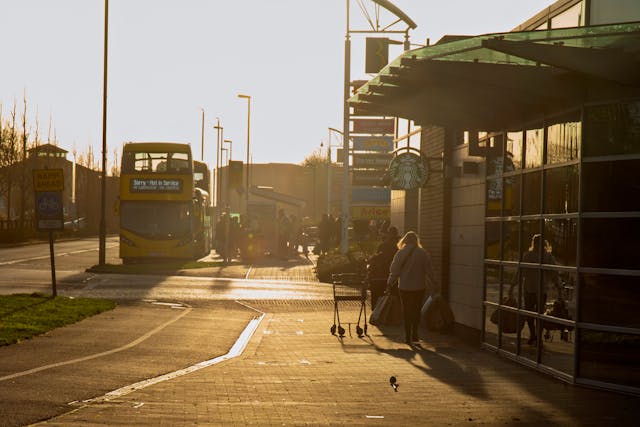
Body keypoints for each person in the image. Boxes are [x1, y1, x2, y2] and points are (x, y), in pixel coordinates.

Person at [387, 231, 437, 344]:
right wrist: (434, 283)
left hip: (404, 287)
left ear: (405, 240)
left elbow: (394, 271)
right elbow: (429, 270)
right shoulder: (423, 253)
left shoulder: (400, 253)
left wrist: (390, 283)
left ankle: (407, 336)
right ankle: (415, 333)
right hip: (419, 287)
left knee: (406, 311)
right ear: (416, 241)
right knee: (416, 310)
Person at [513, 234, 562, 345]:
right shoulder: (548, 257)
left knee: (529, 313)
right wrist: (559, 287)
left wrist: (513, 285)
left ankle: (533, 335)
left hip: (529, 289)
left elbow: (520, 273)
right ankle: (537, 337)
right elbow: (554, 273)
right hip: (541, 290)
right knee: (539, 314)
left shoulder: (528, 256)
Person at [366, 226, 400, 310]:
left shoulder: (383, 246)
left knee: (377, 298)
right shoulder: (399, 248)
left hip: (379, 277)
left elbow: (374, 261)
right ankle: (390, 316)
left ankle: (377, 314)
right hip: (393, 278)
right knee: (392, 299)